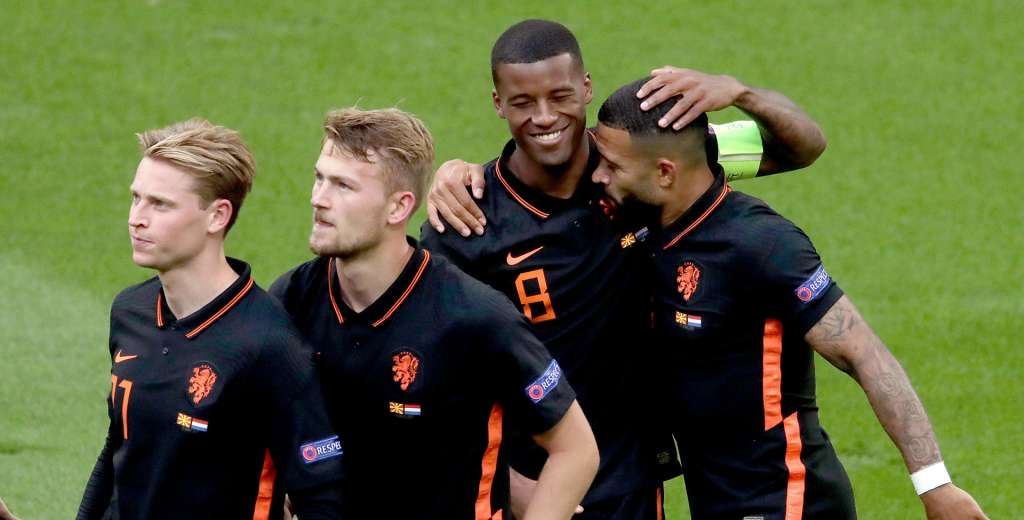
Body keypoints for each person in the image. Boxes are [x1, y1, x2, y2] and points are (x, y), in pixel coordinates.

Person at [420, 19, 826, 519]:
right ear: (498, 103)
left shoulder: (641, 164)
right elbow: (428, 369)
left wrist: (739, 92)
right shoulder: (467, 218)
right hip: (530, 485)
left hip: (631, 480)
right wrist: (515, 487)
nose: (544, 117)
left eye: (560, 96)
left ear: (586, 88)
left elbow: (802, 146)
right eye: (523, 102)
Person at [589, 78, 989, 520]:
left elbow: (864, 355)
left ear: (666, 173)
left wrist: (934, 485)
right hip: (716, 498)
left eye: (611, 166)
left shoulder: (763, 246)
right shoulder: (656, 207)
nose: (596, 176)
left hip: (786, 500)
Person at [270, 107, 599, 520]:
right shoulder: (291, 301)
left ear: (398, 207)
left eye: (343, 186)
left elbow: (575, 450)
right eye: (320, 178)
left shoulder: (475, 318)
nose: (318, 199)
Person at [76, 119, 345, 520]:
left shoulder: (269, 345)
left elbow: (323, 495)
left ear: (217, 216)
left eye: (160, 204)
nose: (137, 218)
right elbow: (117, 451)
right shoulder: (130, 311)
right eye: (136, 198)